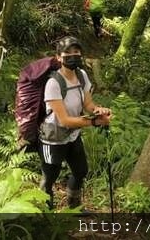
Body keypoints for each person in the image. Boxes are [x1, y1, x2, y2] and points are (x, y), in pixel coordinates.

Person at [38, 36, 112, 210]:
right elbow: (64, 120)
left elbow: (88, 104)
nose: (73, 56)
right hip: (53, 138)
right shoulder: (53, 83)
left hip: (73, 134)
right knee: (49, 178)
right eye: (68, 53)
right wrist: (94, 123)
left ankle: (74, 206)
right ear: (58, 57)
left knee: (80, 171)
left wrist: (98, 111)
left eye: (76, 52)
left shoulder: (81, 75)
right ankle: (45, 214)